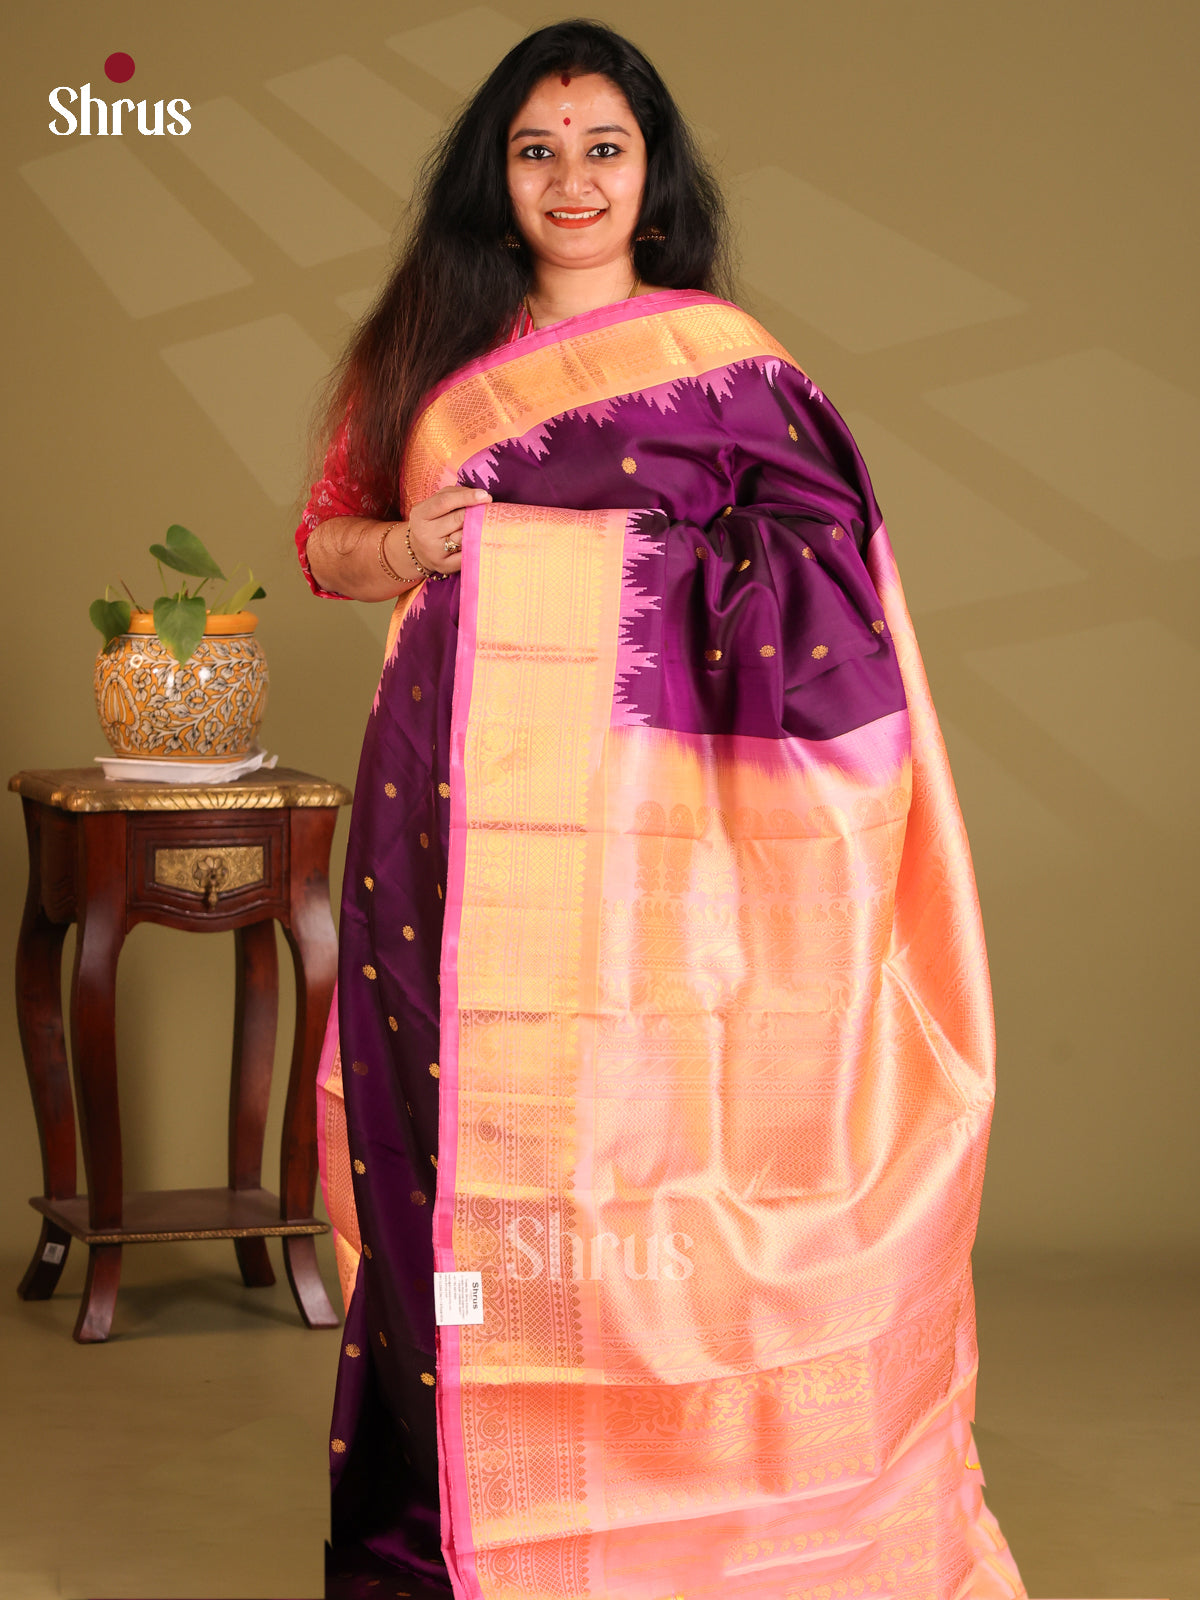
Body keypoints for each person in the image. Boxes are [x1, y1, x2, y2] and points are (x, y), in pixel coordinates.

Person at [296, 20, 1027, 1600]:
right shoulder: (424, 354)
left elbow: (832, 587)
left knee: (639, 1158)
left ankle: (683, 1508)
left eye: (604, 149)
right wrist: (414, 552)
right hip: (451, 824)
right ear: (496, 178)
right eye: (537, 150)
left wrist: (580, 566)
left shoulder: (728, 364)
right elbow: (327, 545)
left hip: (671, 872)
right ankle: (460, 1514)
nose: (572, 180)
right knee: (458, 1155)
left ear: (652, 177)